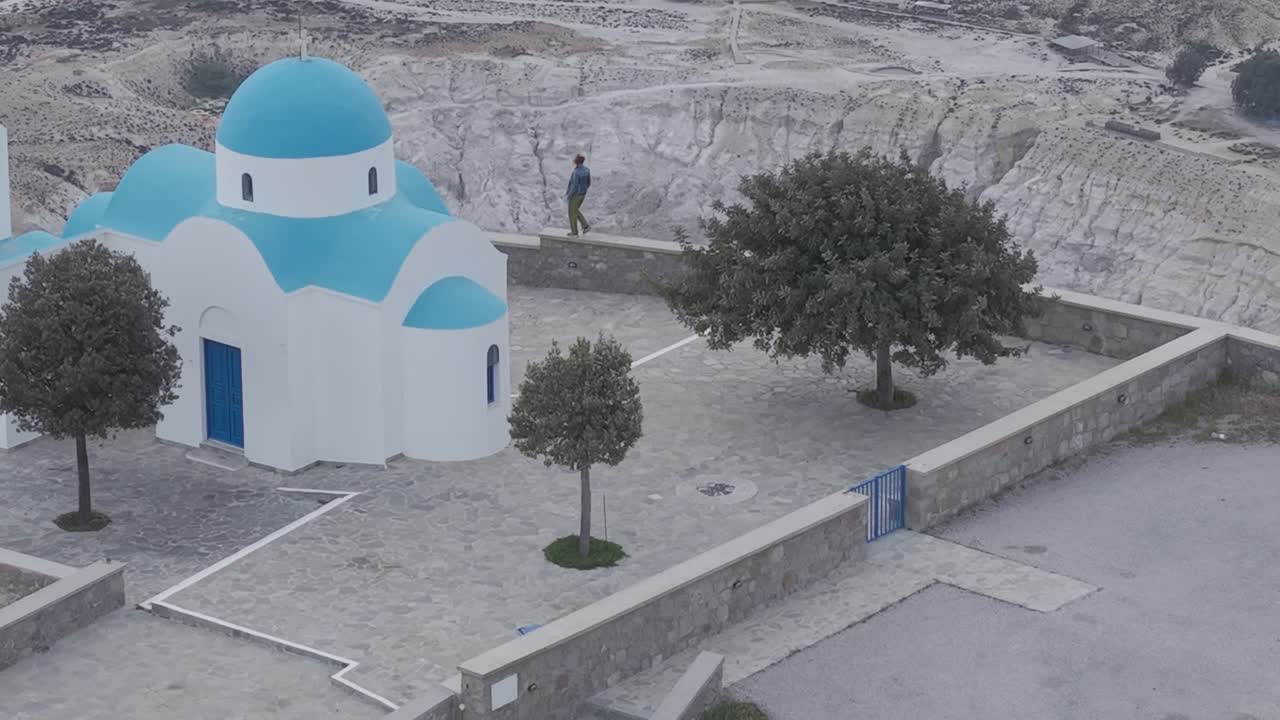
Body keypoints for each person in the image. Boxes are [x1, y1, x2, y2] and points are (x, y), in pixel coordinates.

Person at [565, 154, 591, 236]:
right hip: (582, 194)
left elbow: (574, 186)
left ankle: (575, 231)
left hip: (575, 195)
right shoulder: (587, 170)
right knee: (575, 210)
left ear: (576, 161)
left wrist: (569, 195)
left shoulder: (576, 172)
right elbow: (588, 182)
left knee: (571, 212)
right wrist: (584, 190)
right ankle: (585, 225)